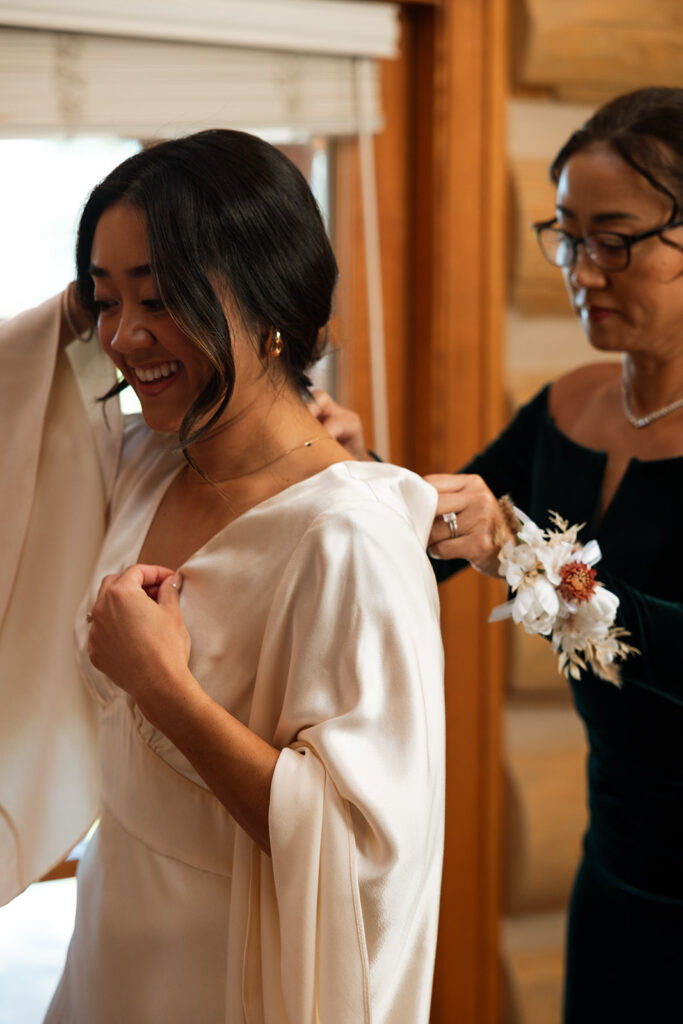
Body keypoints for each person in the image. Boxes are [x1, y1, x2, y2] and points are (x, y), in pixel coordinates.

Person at [0, 130, 445, 1024]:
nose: (124, 337)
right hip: (109, 939)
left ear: (266, 293)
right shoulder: (140, 462)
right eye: (104, 297)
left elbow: (365, 854)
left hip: (234, 967)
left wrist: (165, 688)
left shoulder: (347, 537)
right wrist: (82, 314)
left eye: (160, 298)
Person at [314, 87, 683, 1022]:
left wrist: (523, 555)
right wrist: (353, 473)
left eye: (614, 239)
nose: (580, 269)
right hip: (615, 873)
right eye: (564, 235)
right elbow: (439, 543)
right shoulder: (569, 407)